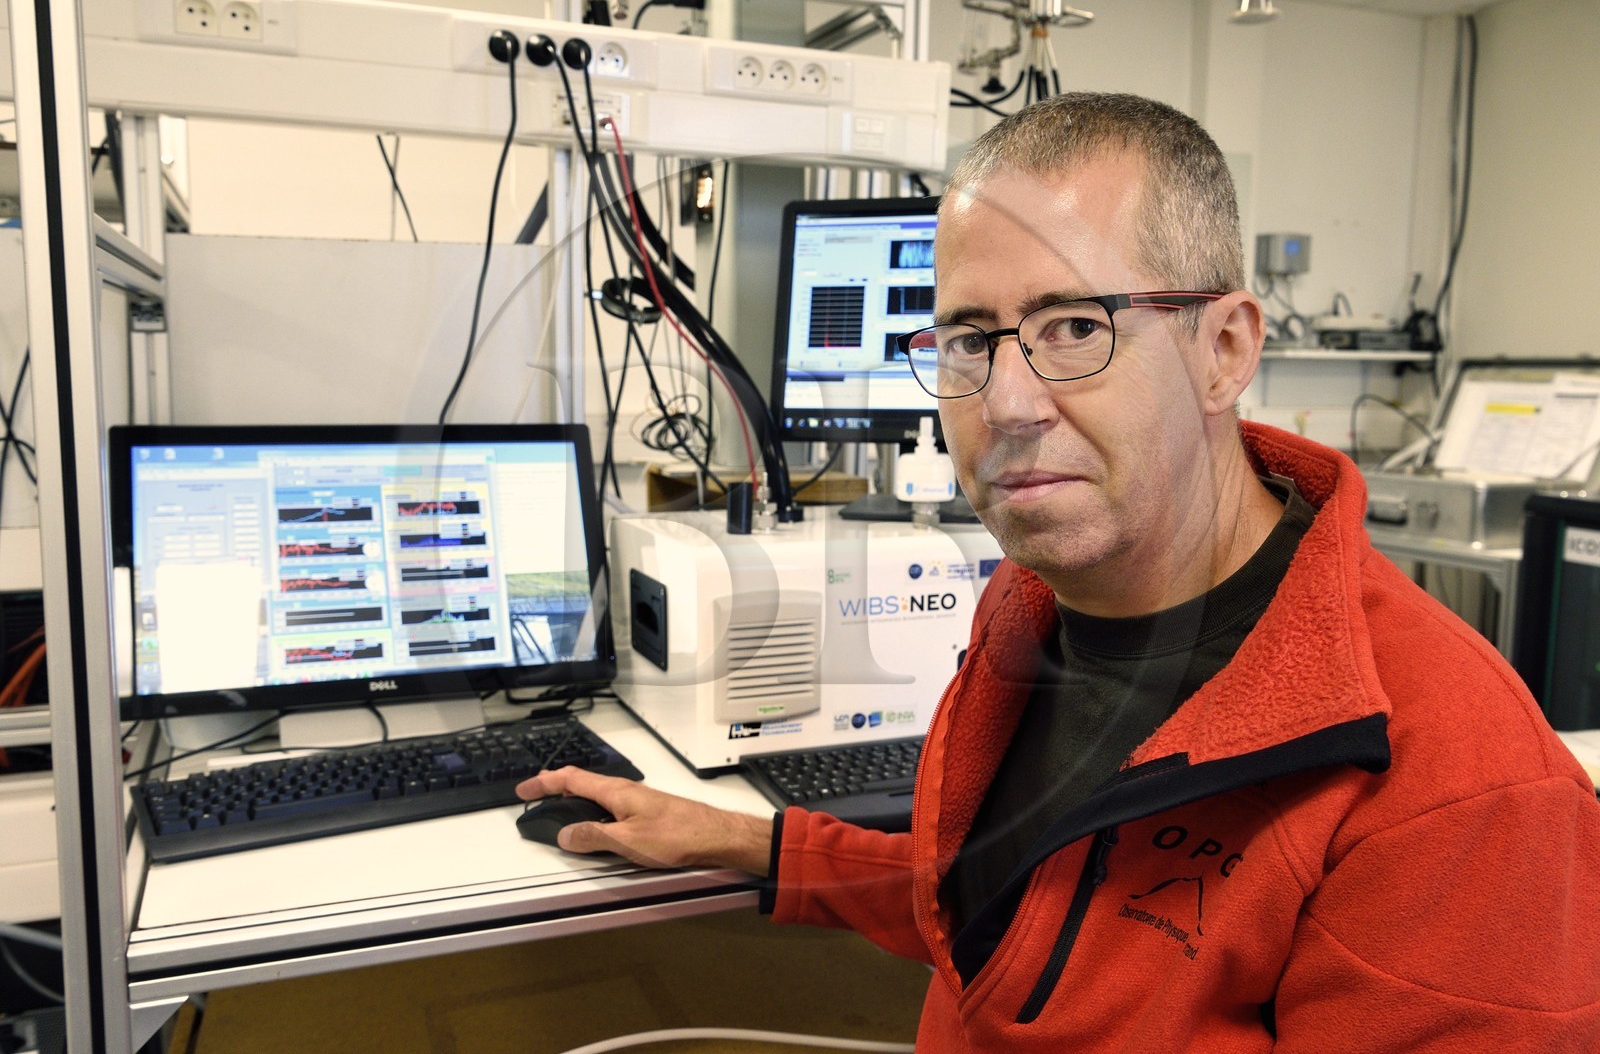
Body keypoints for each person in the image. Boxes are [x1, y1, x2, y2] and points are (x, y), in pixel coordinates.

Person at [519, 93, 1600, 1050]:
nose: (1008, 402)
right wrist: (745, 840)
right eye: (967, 341)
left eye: (1075, 325)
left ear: (1224, 348)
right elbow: (1019, 896)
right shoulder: (1031, 610)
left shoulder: (1456, 792)